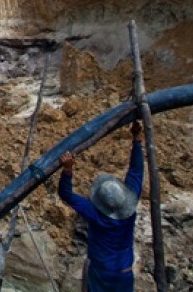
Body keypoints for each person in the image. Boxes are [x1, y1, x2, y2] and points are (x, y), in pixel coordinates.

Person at [58, 120, 144, 292]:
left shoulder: (95, 214)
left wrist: (67, 170)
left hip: (100, 272)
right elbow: (136, 171)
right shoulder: (130, 209)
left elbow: (66, 195)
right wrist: (137, 140)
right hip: (124, 272)